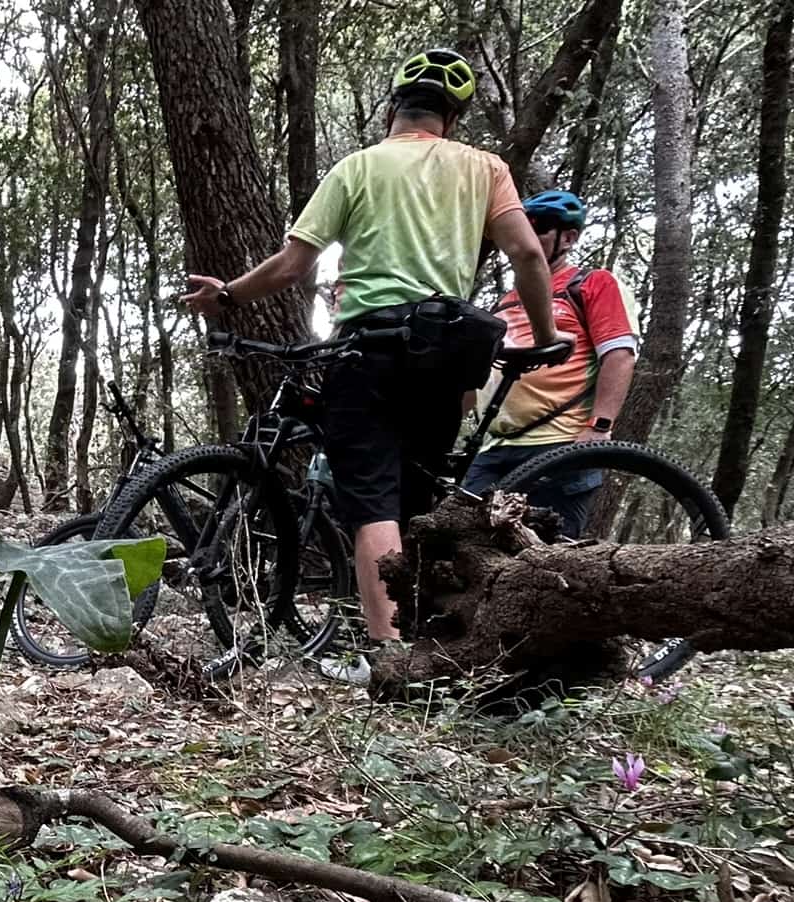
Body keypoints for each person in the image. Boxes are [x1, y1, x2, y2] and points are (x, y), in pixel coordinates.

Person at [178, 47, 559, 655]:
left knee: (373, 501)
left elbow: (292, 266)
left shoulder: (357, 168)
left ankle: (388, 657)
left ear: (392, 109)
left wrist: (228, 293)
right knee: (417, 500)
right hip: (446, 350)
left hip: (368, 351)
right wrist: (544, 338)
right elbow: (529, 255)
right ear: (452, 119)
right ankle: (431, 644)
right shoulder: (485, 168)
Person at [462, 189, 640, 538]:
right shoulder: (505, 301)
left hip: (560, 443)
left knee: (545, 559)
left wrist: (600, 426)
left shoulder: (591, 284)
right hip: (495, 446)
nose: (528, 234)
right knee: (463, 546)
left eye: (540, 227)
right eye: (523, 227)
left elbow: (619, 354)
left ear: (569, 238)